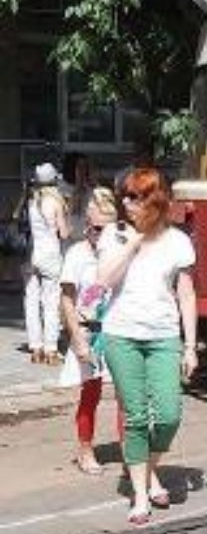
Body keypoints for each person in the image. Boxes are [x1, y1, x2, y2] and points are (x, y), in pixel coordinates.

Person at [97, 167, 198, 525]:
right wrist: (133, 245)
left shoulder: (178, 241)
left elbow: (186, 295)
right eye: (124, 196)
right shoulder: (114, 234)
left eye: (134, 197)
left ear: (153, 200)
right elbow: (104, 281)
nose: (126, 204)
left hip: (163, 336)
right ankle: (140, 495)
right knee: (137, 417)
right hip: (121, 335)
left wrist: (190, 347)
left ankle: (147, 469)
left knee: (169, 415)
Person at [59, 188, 125, 474]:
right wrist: (76, 338)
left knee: (127, 394)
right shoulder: (76, 254)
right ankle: (86, 450)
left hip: (119, 331)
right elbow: (67, 300)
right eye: (98, 228)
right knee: (91, 394)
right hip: (89, 334)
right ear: (87, 224)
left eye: (110, 228)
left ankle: (129, 453)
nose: (103, 234)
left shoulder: (122, 250)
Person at [24, 162, 69, 364]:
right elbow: (64, 233)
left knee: (31, 300)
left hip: (31, 254)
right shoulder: (56, 202)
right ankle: (51, 349)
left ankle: (35, 347)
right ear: (54, 181)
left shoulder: (31, 201)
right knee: (50, 301)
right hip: (50, 255)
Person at [61, 152, 97, 237]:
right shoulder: (62, 189)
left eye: (85, 167)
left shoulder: (91, 191)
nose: (83, 170)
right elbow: (71, 210)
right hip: (67, 238)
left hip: (86, 237)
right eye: (80, 167)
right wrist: (78, 185)